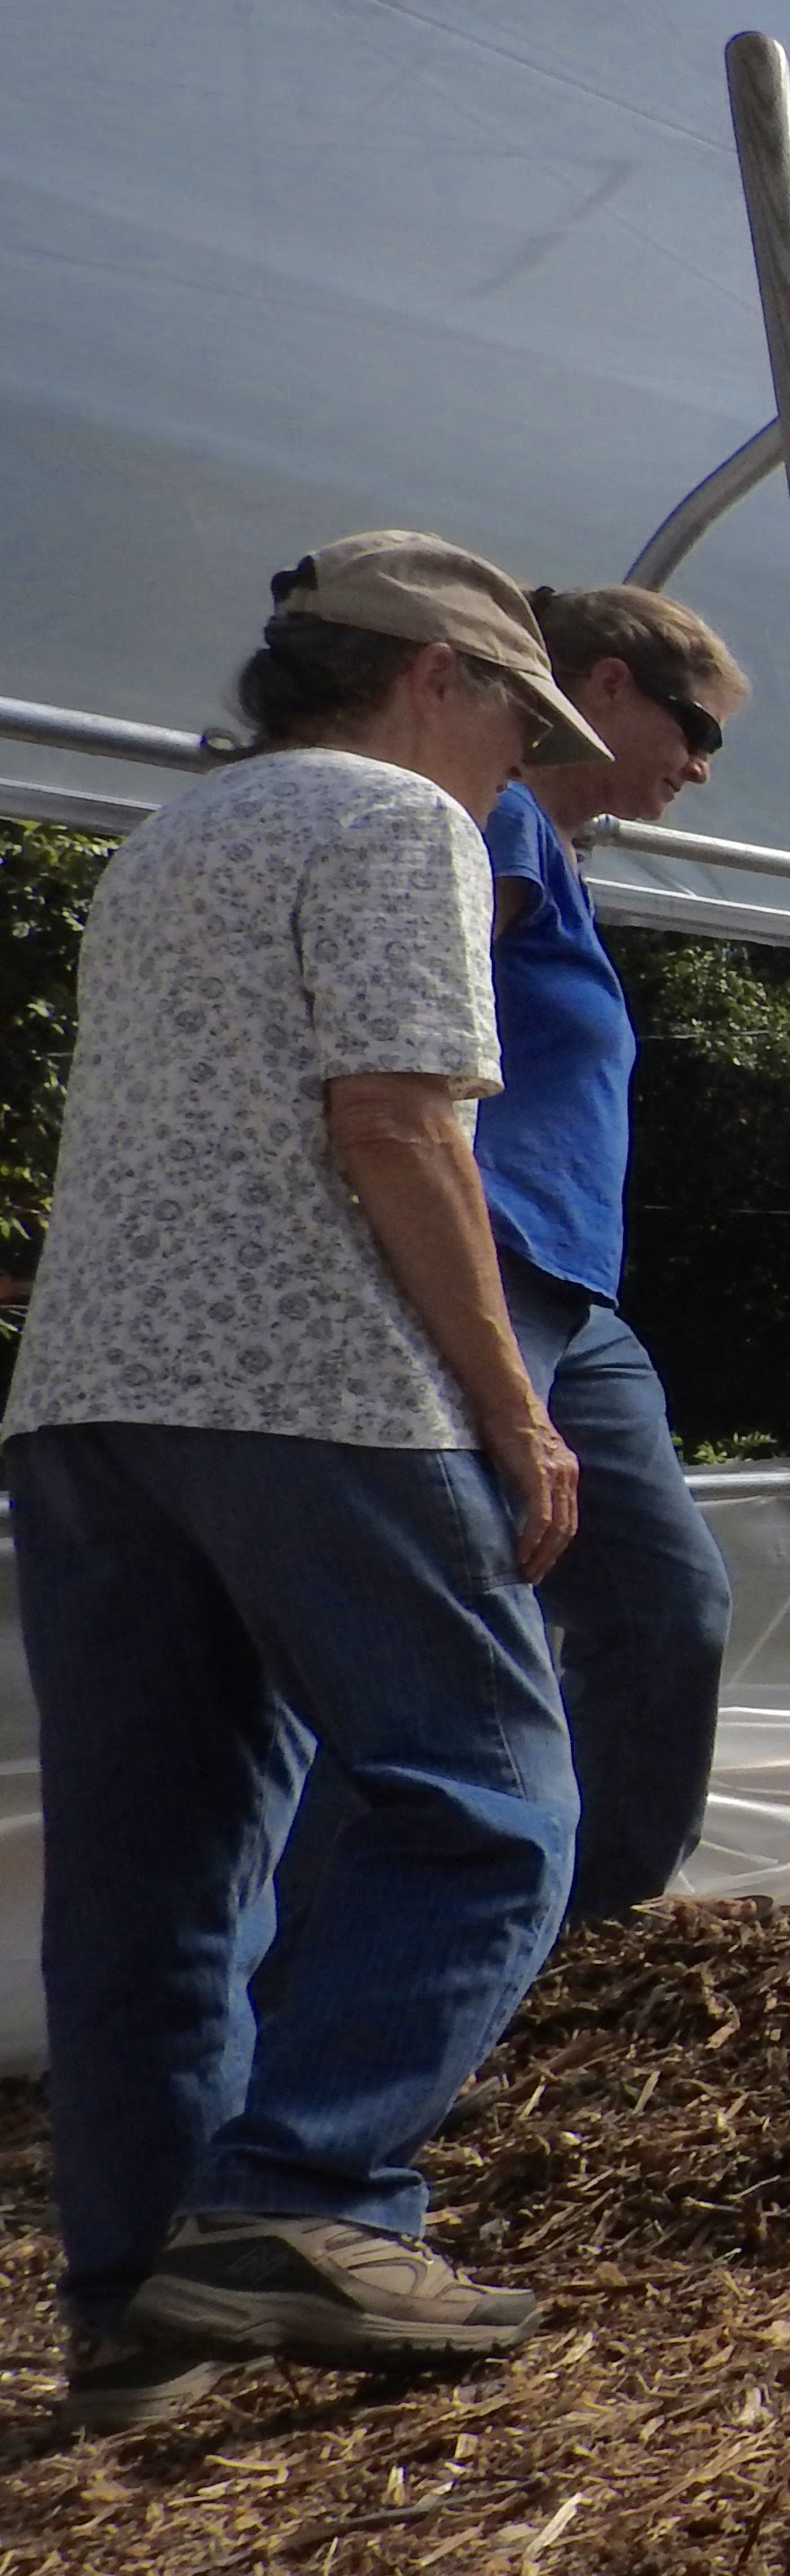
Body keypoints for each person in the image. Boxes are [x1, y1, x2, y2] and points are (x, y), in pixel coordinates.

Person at [5, 534, 603, 2431]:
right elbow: (398, 1122)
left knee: (157, 1871)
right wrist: (514, 1411)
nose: (520, 769)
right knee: (489, 1803)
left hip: (90, 1398)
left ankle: (137, 2302)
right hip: (312, 1383)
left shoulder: (167, 840)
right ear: (436, 674)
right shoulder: (399, 822)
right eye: (520, 722)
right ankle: (307, 2194)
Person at [276, 583, 746, 1928]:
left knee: (667, 1607)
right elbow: (387, 1036)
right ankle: (342, 1974)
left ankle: (582, 1924)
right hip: (481, 1266)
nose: (700, 769)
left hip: (571, 1296)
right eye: (697, 728)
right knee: (439, 1637)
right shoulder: (496, 826)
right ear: (607, 684)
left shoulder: (554, 856)